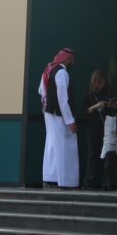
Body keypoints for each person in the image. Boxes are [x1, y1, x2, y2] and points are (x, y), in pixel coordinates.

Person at [39, 48, 79, 189]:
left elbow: (41, 91)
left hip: (49, 113)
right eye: (72, 58)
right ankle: (66, 180)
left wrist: (47, 107)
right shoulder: (62, 73)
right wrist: (70, 120)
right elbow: (63, 99)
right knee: (65, 146)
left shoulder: (48, 70)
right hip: (59, 115)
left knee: (51, 144)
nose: (73, 61)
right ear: (68, 58)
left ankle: (50, 177)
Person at [83, 70, 116, 190]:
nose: (101, 85)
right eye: (99, 82)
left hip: (106, 126)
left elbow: (114, 107)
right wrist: (97, 106)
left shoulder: (108, 92)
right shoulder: (88, 94)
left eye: (103, 82)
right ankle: (91, 181)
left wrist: (110, 105)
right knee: (93, 154)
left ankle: (106, 181)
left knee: (107, 154)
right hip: (93, 127)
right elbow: (85, 111)